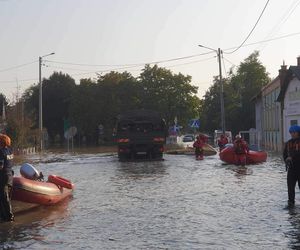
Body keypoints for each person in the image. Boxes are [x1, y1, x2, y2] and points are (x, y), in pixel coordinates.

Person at [283, 125, 300, 206]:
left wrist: (292, 157)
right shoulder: (288, 143)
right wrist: (286, 159)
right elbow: (285, 154)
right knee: (290, 188)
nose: (292, 134)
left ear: (298, 133)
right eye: (291, 132)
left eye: (294, 132)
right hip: (291, 169)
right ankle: (291, 204)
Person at [0, 134, 14, 222]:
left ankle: (9, 217)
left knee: (4, 198)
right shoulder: (10, 150)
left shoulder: (1, 152)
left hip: (3, 177)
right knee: (5, 197)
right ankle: (4, 216)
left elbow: (0, 166)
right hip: (10, 176)